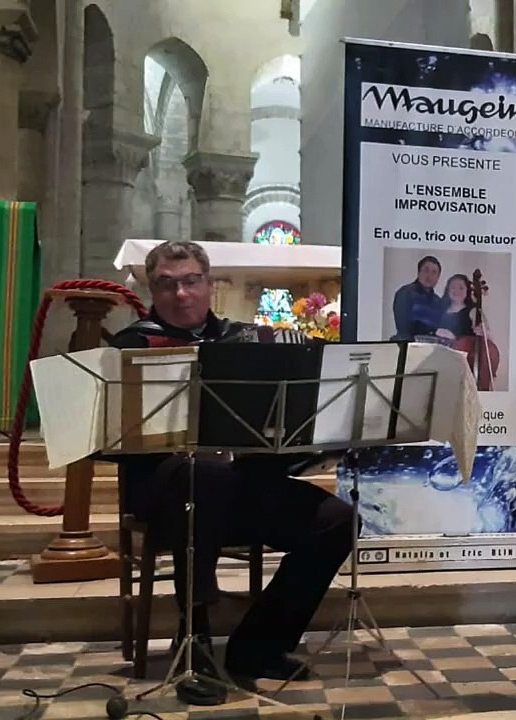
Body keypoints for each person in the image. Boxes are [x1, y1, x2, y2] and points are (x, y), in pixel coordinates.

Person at [107, 240, 354, 699]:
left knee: (336, 522)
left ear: (208, 284)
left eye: (190, 282)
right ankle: (193, 641)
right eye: (166, 284)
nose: (180, 294)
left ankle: (258, 647)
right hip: (165, 495)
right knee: (206, 478)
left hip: (242, 488)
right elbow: (112, 443)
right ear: (151, 291)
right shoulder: (132, 347)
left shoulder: (246, 342)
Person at [391, 256, 444, 339]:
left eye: (434, 272)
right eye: (426, 270)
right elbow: (404, 328)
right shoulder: (406, 293)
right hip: (408, 346)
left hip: (431, 347)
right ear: (418, 272)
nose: (429, 276)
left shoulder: (438, 301)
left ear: (438, 278)